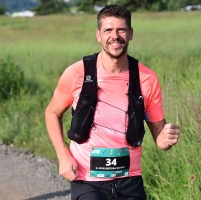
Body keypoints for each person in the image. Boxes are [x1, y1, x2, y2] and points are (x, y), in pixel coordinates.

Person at [45, 4, 180, 200]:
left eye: (121, 30)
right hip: (87, 181)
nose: (114, 36)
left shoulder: (147, 78)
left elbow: (159, 136)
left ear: (131, 33)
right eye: (108, 30)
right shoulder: (77, 73)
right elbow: (52, 113)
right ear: (98, 35)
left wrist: (167, 138)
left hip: (130, 181)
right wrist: (63, 155)